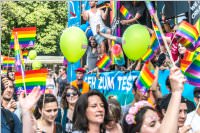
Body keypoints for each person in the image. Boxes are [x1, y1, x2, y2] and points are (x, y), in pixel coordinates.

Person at [122, 66, 187, 133]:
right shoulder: (123, 111)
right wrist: (176, 92)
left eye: (159, 121)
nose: (160, 126)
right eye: (152, 125)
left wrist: (177, 91)